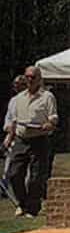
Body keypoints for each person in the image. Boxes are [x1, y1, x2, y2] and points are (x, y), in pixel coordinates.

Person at [7, 65, 58, 217]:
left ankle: (33, 208)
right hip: (21, 139)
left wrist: (48, 125)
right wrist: (9, 136)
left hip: (39, 138)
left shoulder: (47, 97)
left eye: (33, 77)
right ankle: (22, 203)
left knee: (36, 176)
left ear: (39, 79)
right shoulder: (17, 99)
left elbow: (53, 118)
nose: (29, 80)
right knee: (14, 173)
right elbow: (12, 121)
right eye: (27, 77)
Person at [1, 75, 27, 204]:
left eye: (18, 85)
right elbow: (9, 119)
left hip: (20, 138)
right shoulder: (13, 101)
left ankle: (23, 200)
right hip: (11, 137)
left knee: (20, 171)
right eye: (14, 85)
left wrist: (10, 137)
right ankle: (14, 198)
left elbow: (17, 122)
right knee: (9, 171)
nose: (15, 87)